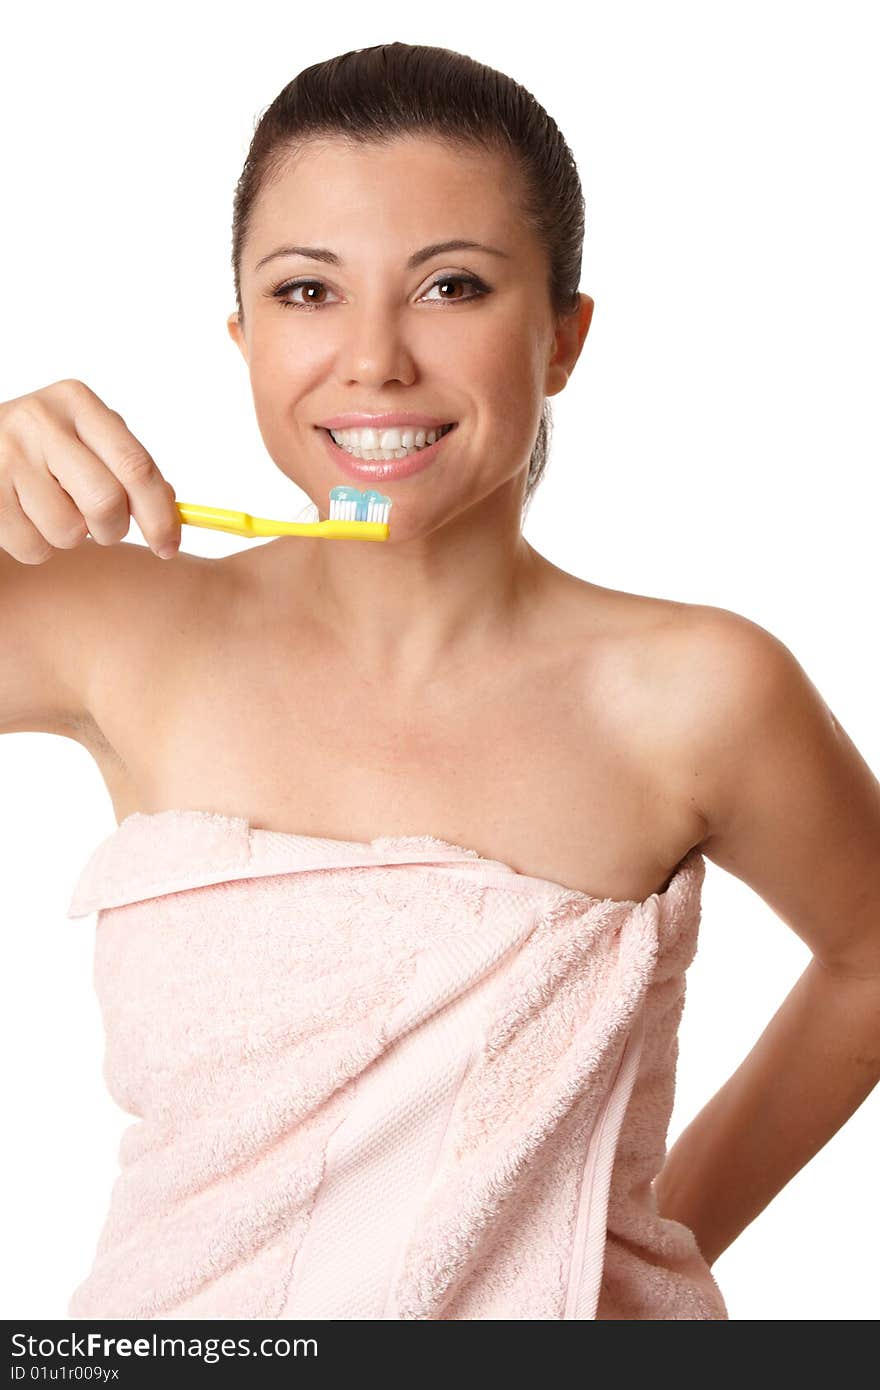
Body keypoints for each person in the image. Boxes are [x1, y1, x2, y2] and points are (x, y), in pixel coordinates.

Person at [1, 42, 878, 1321]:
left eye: (450, 286)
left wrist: (639, 1241)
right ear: (241, 335)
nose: (372, 361)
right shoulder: (111, 621)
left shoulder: (697, 691)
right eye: (306, 292)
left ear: (565, 337)